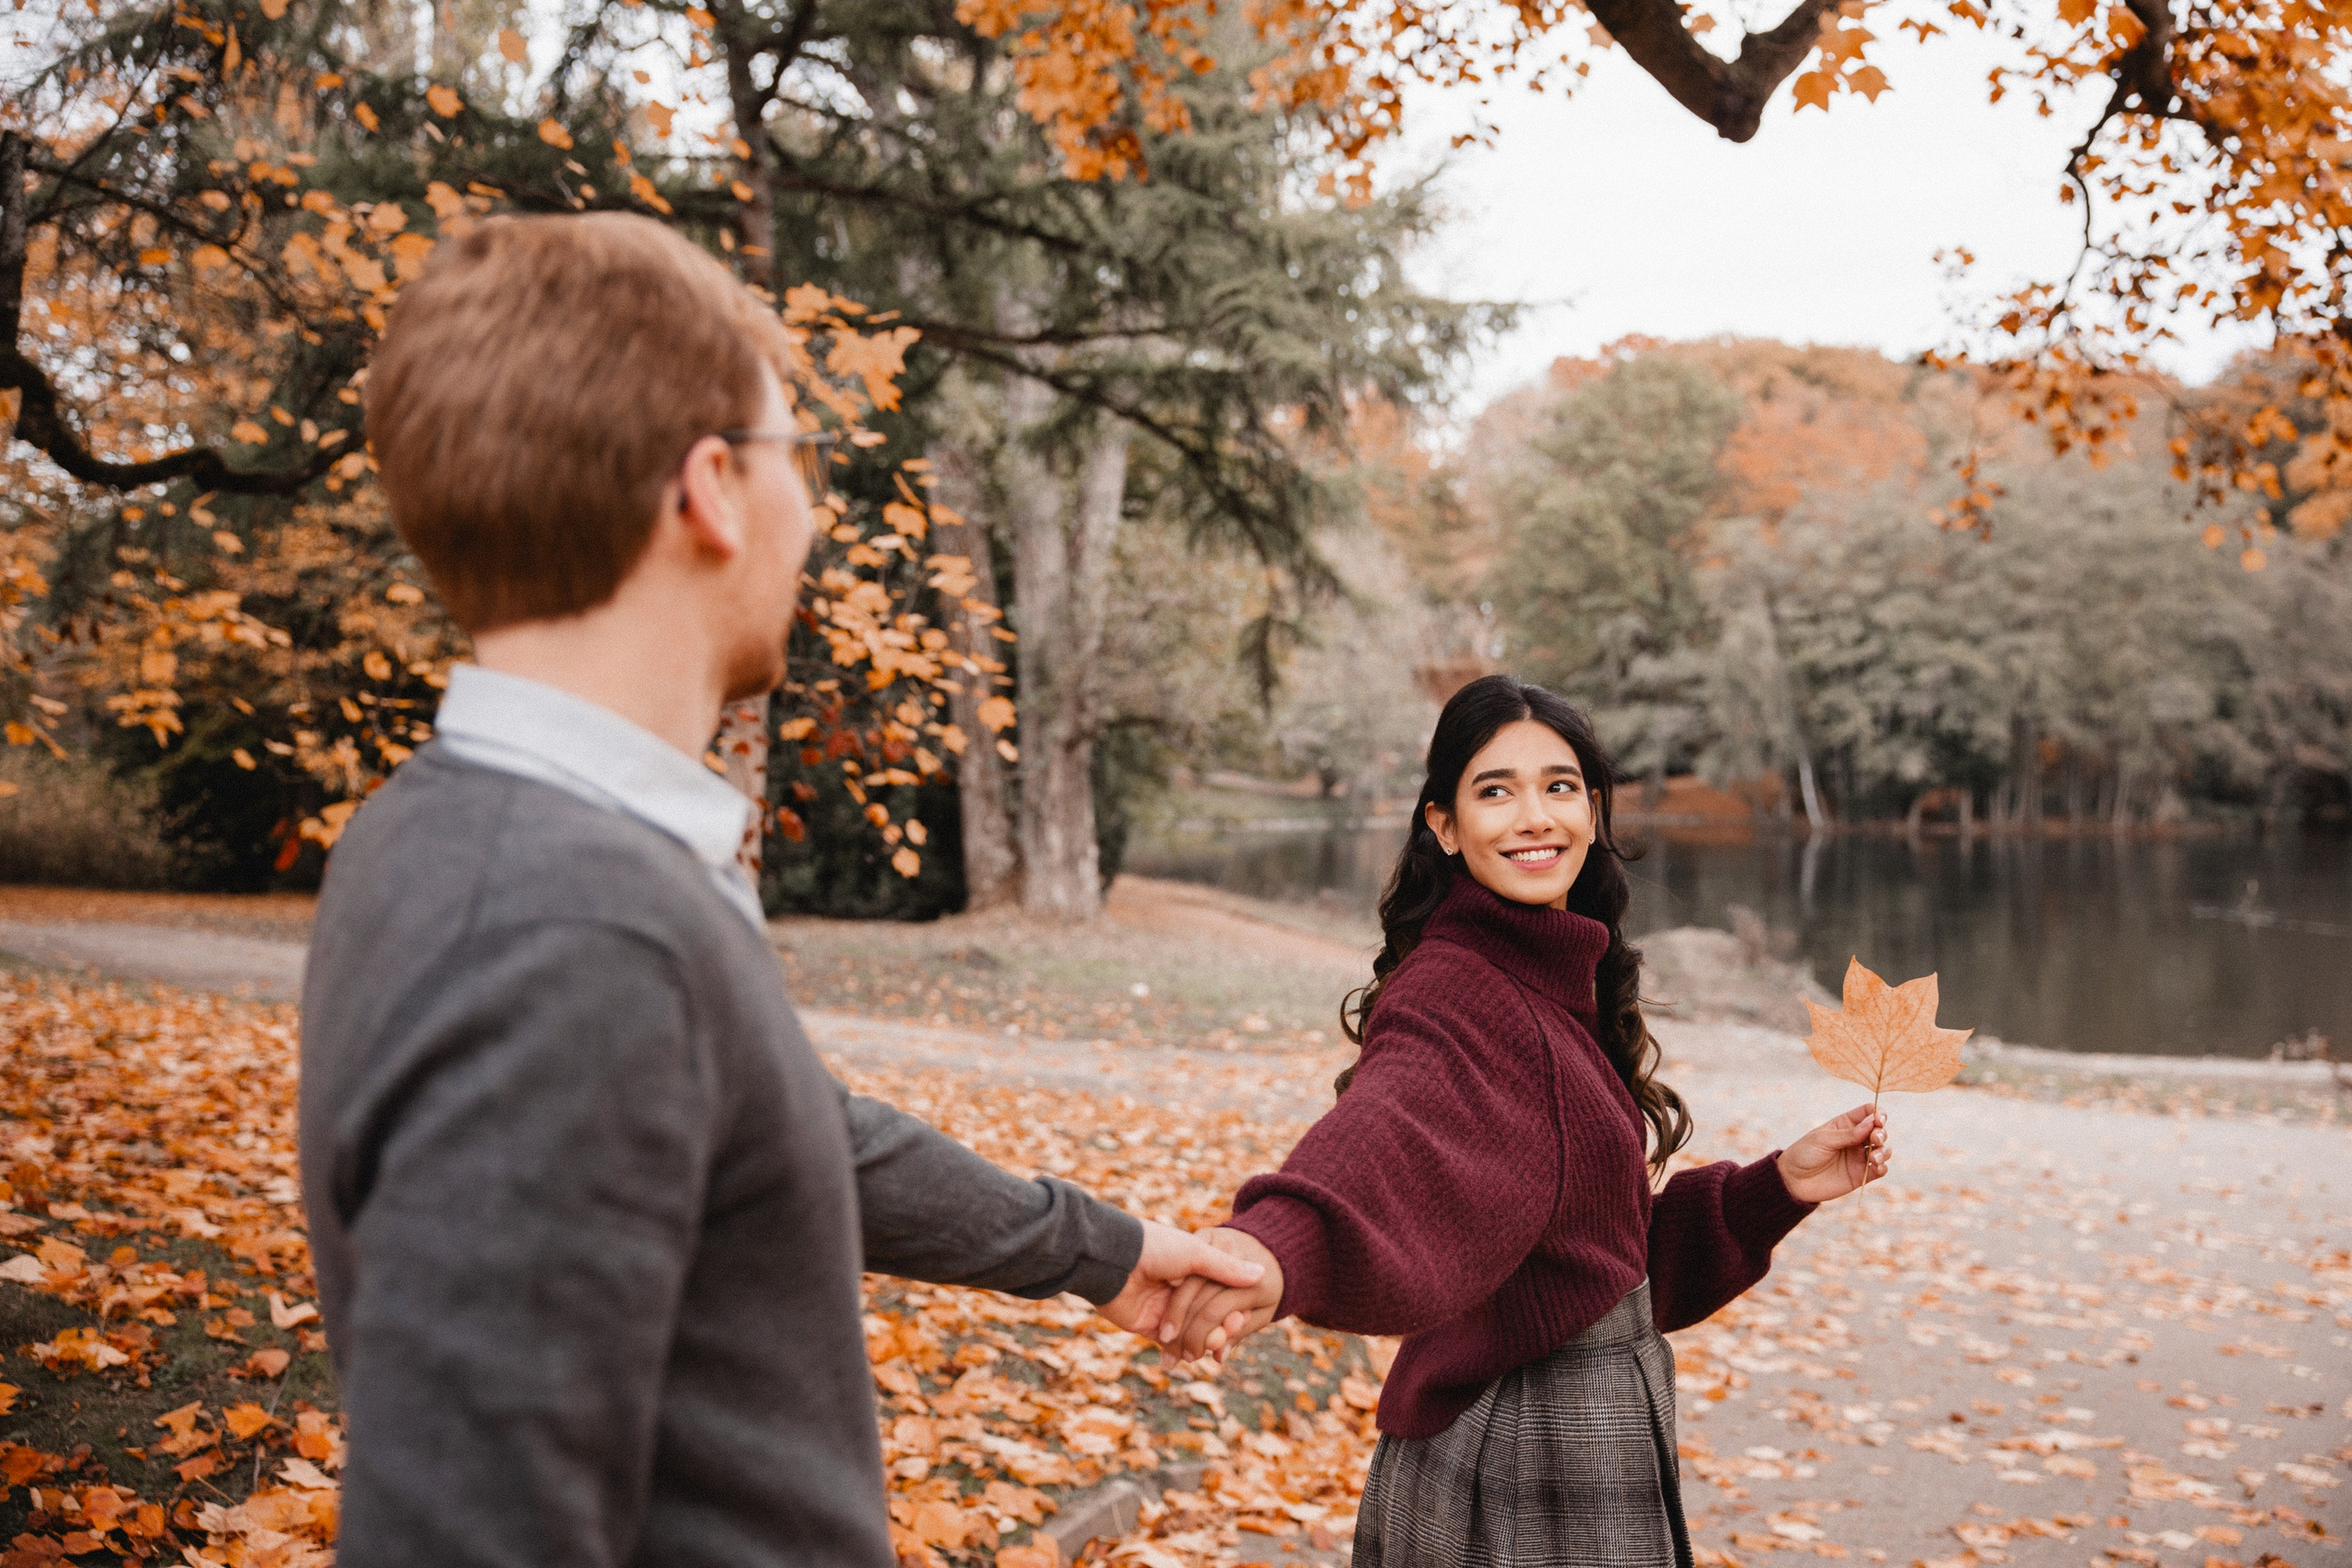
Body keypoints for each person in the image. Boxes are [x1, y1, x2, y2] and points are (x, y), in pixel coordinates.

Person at [297, 212, 1259, 1568]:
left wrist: (1096, 1249)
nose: (813, 509)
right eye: (795, 454)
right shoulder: (568, 934)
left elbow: (786, 1131)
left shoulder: (469, 831)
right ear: (713, 489)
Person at [1158, 674, 1892, 1568]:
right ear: (1444, 825)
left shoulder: (1553, 974)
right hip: (1518, 1458)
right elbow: (1388, 1131)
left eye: (1559, 785)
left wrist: (1777, 1188)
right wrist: (1278, 1245)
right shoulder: (1457, 988)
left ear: (1593, 808)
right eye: (1495, 791)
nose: (1535, 816)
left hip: (1584, 1433)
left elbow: (1601, 1264)